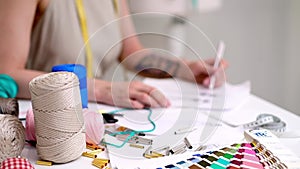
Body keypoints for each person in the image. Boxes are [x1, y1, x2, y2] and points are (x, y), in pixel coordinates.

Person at [0, 0, 227, 109]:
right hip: (43, 118)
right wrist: (102, 89)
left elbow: (132, 53)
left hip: (96, 115)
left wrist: (184, 68)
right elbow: (6, 75)